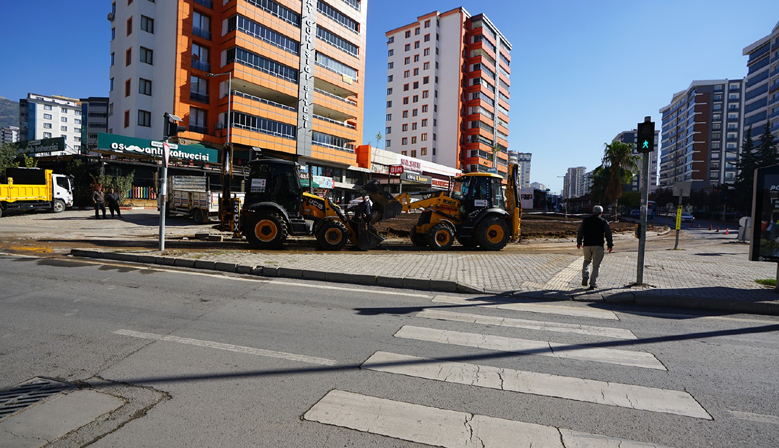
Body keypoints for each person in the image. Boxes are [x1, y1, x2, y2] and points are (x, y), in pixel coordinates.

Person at [577, 205, 613, 290]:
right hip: (598, 245)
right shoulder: (603, 221)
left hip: (586, 245)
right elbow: (608, 234)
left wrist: (579, 242)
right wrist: (610, 245)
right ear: (601, 213)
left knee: (586, 261)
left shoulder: (586, 220)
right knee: (596, 265)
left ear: (592, 212)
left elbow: (580, 232)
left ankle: (585, 275)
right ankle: (593, 284)